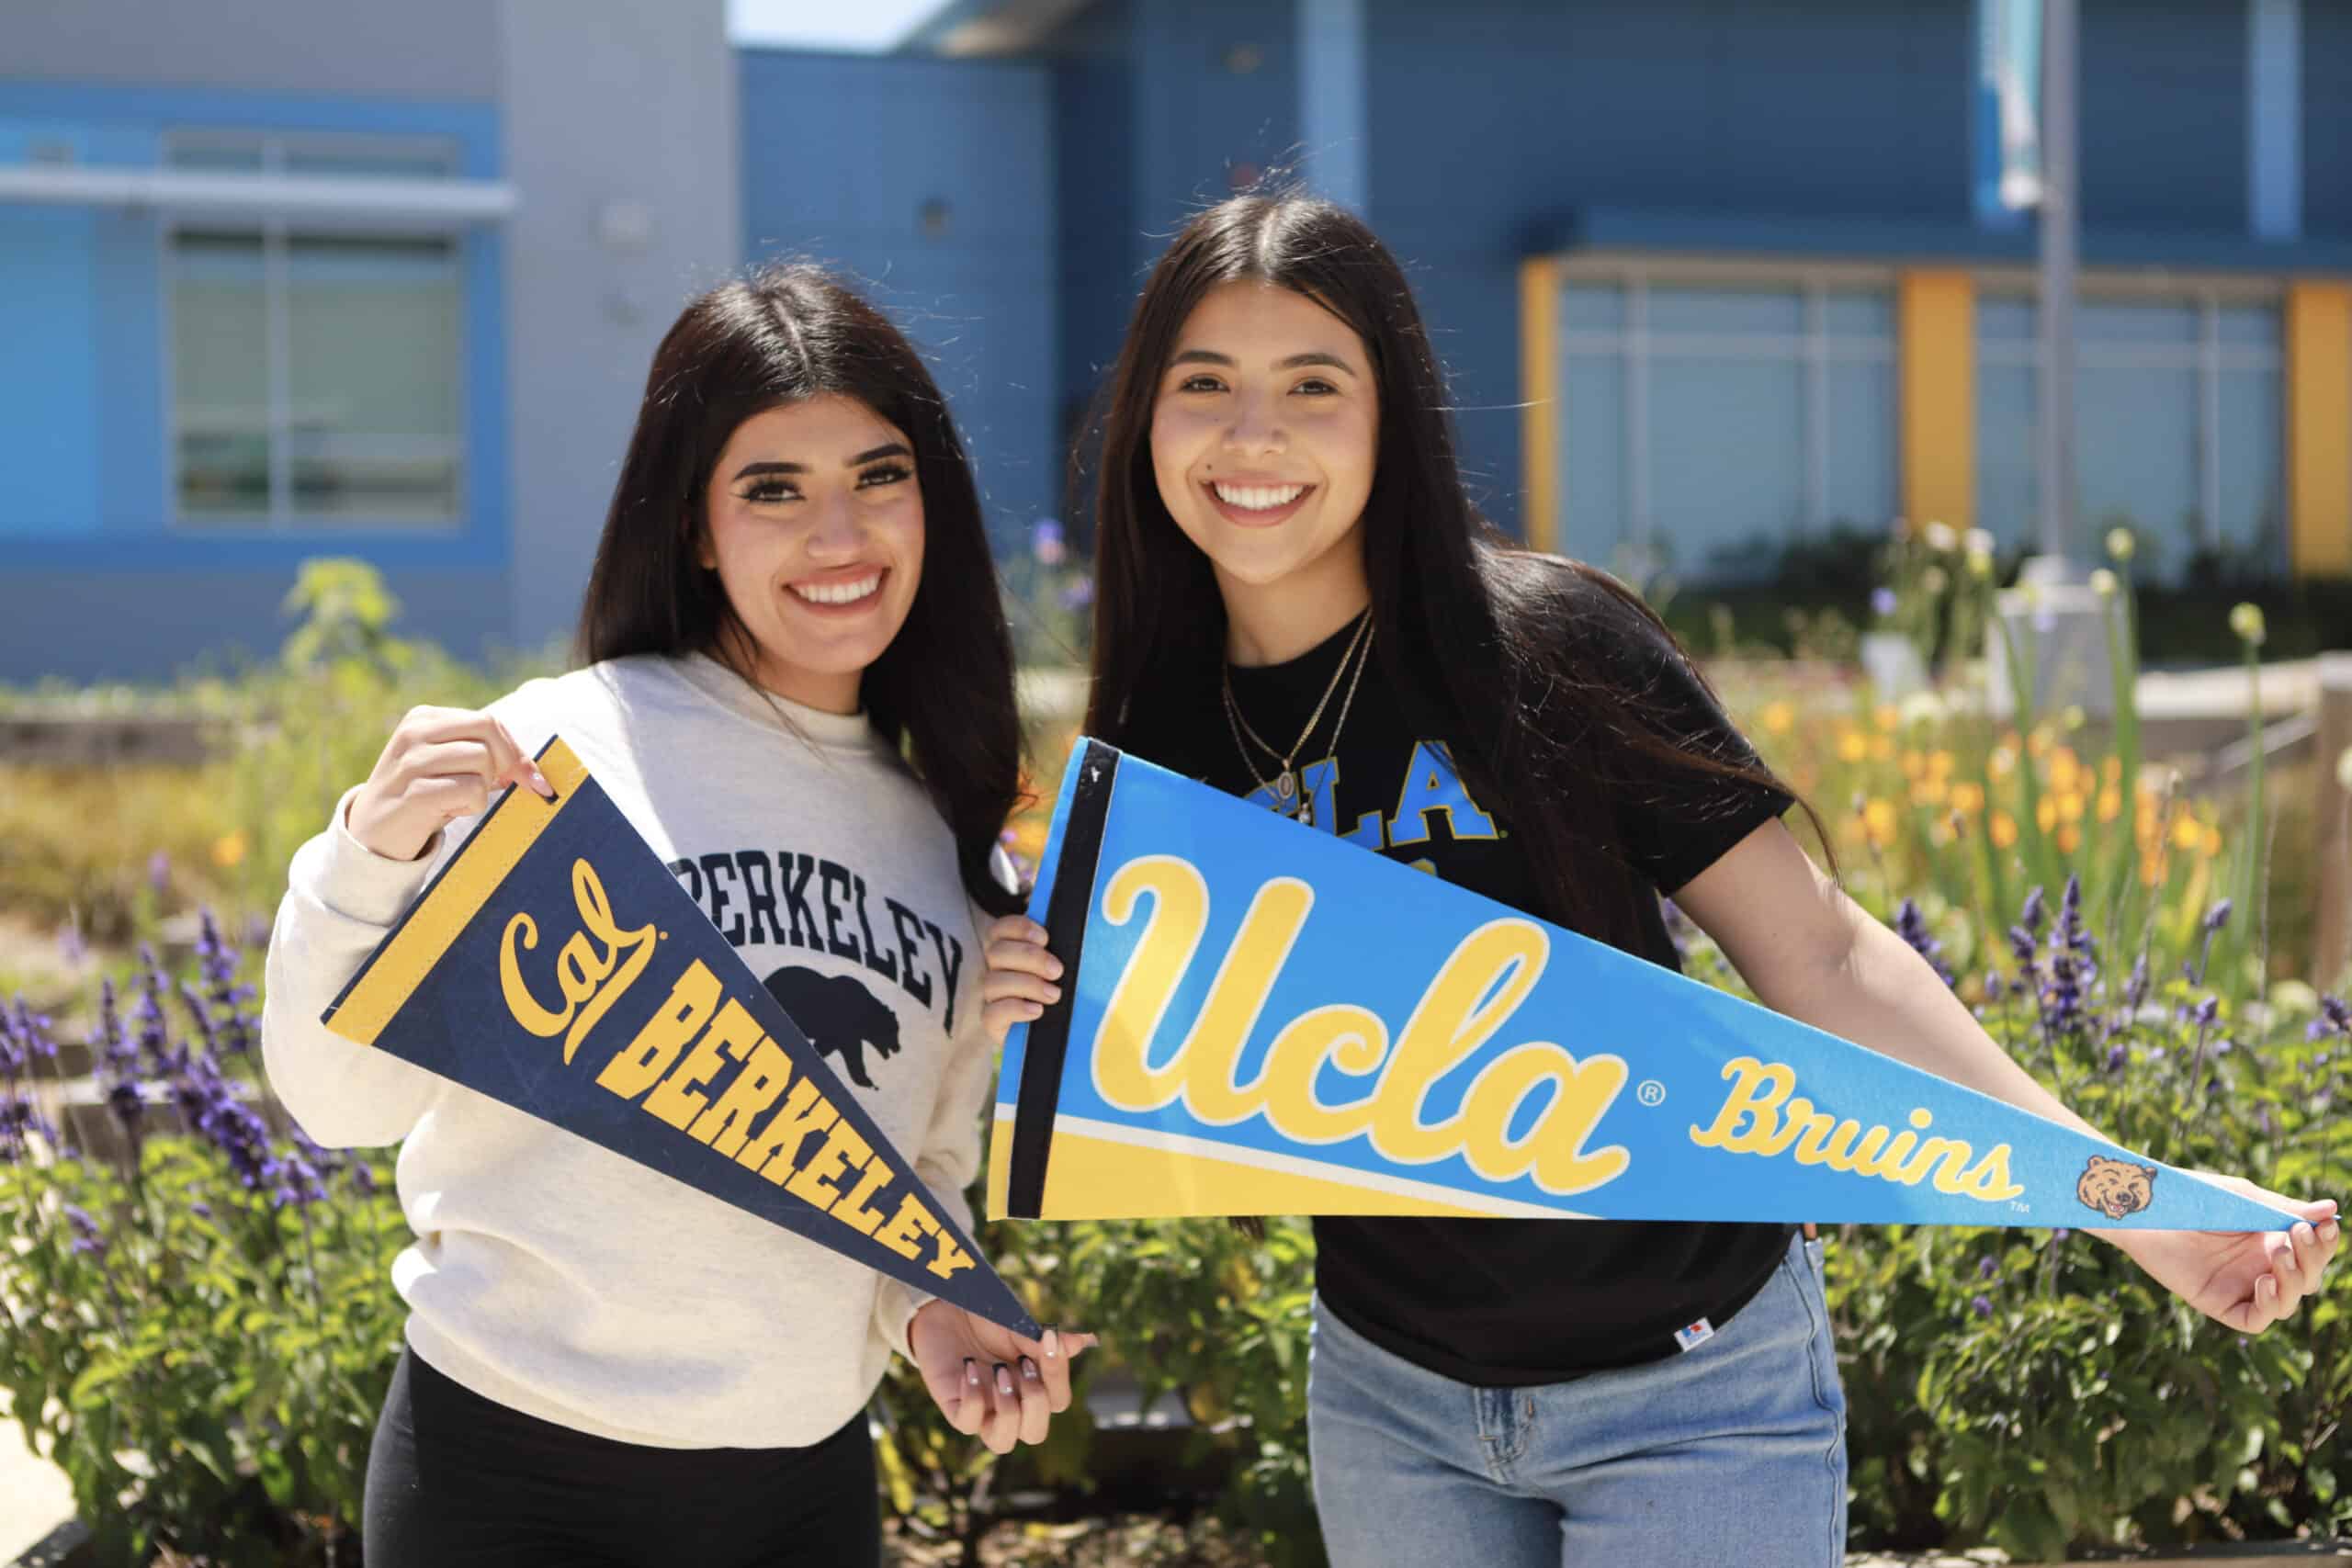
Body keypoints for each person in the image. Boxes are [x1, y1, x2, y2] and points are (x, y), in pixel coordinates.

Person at [976, 192, 2338, 1567]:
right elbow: (1160, 1084)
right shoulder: (1157, 736)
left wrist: (2134, 1208)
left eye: (1312, 386)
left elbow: (1823, 956)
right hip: (1390, 1400)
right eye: (1203, 385)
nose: (1252, 435)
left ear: (1395, 420)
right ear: (1145, 418)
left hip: (1694, 1394)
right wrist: (1028, 1005)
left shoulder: (1544, 643)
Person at [264, 264, 1091, 1568]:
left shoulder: (952, 841)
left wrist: (937, 1312)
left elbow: (908, 1177)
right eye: (775, 491)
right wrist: (364, 858)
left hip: (802, 1497)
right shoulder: (559, 748)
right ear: (698, 529)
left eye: (880, 477)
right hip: (507, 1478)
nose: (840, 537)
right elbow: (338, 1107)